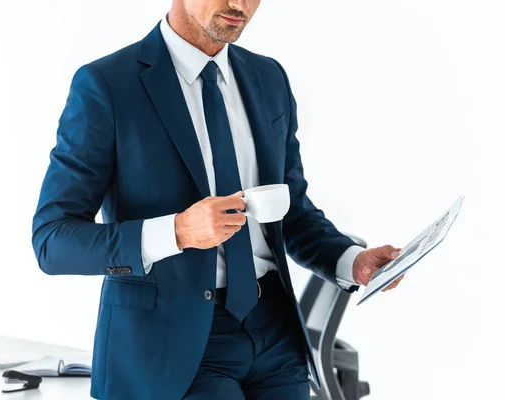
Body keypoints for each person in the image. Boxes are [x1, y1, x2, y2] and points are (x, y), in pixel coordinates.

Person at [32, 1, 404, 398]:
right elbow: (53, 241)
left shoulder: (268, 78)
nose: (238, 4)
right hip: (171, 349)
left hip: (275, 332)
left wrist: (353, 261)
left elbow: (290, 210)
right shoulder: (108, 85)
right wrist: (175, 232)